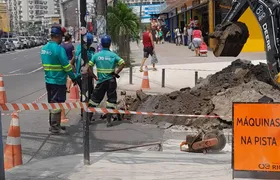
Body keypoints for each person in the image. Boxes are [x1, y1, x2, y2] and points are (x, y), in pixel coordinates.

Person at [41, 25, 78, 134]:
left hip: (49, 80)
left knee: (52, 103)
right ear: (58, 36)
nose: (62, 39)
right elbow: (66, 67)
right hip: (59, 81)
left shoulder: (44, 49)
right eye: (61, 36)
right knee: (57, 104)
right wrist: (74, 77)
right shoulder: (59, 49)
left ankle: (53, 125)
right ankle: (55, 127)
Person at [88, 35, 125, 127]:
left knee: (94, 100)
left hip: (100, 81)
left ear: (101, 44)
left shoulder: (97, 55)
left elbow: (89, 67)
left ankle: (88, 119)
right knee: (111, 101)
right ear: (109, 44)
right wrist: (116, 72)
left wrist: (94, 76)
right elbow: (122, 63)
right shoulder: (113, 55)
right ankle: (108, 121)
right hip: (111, 81)